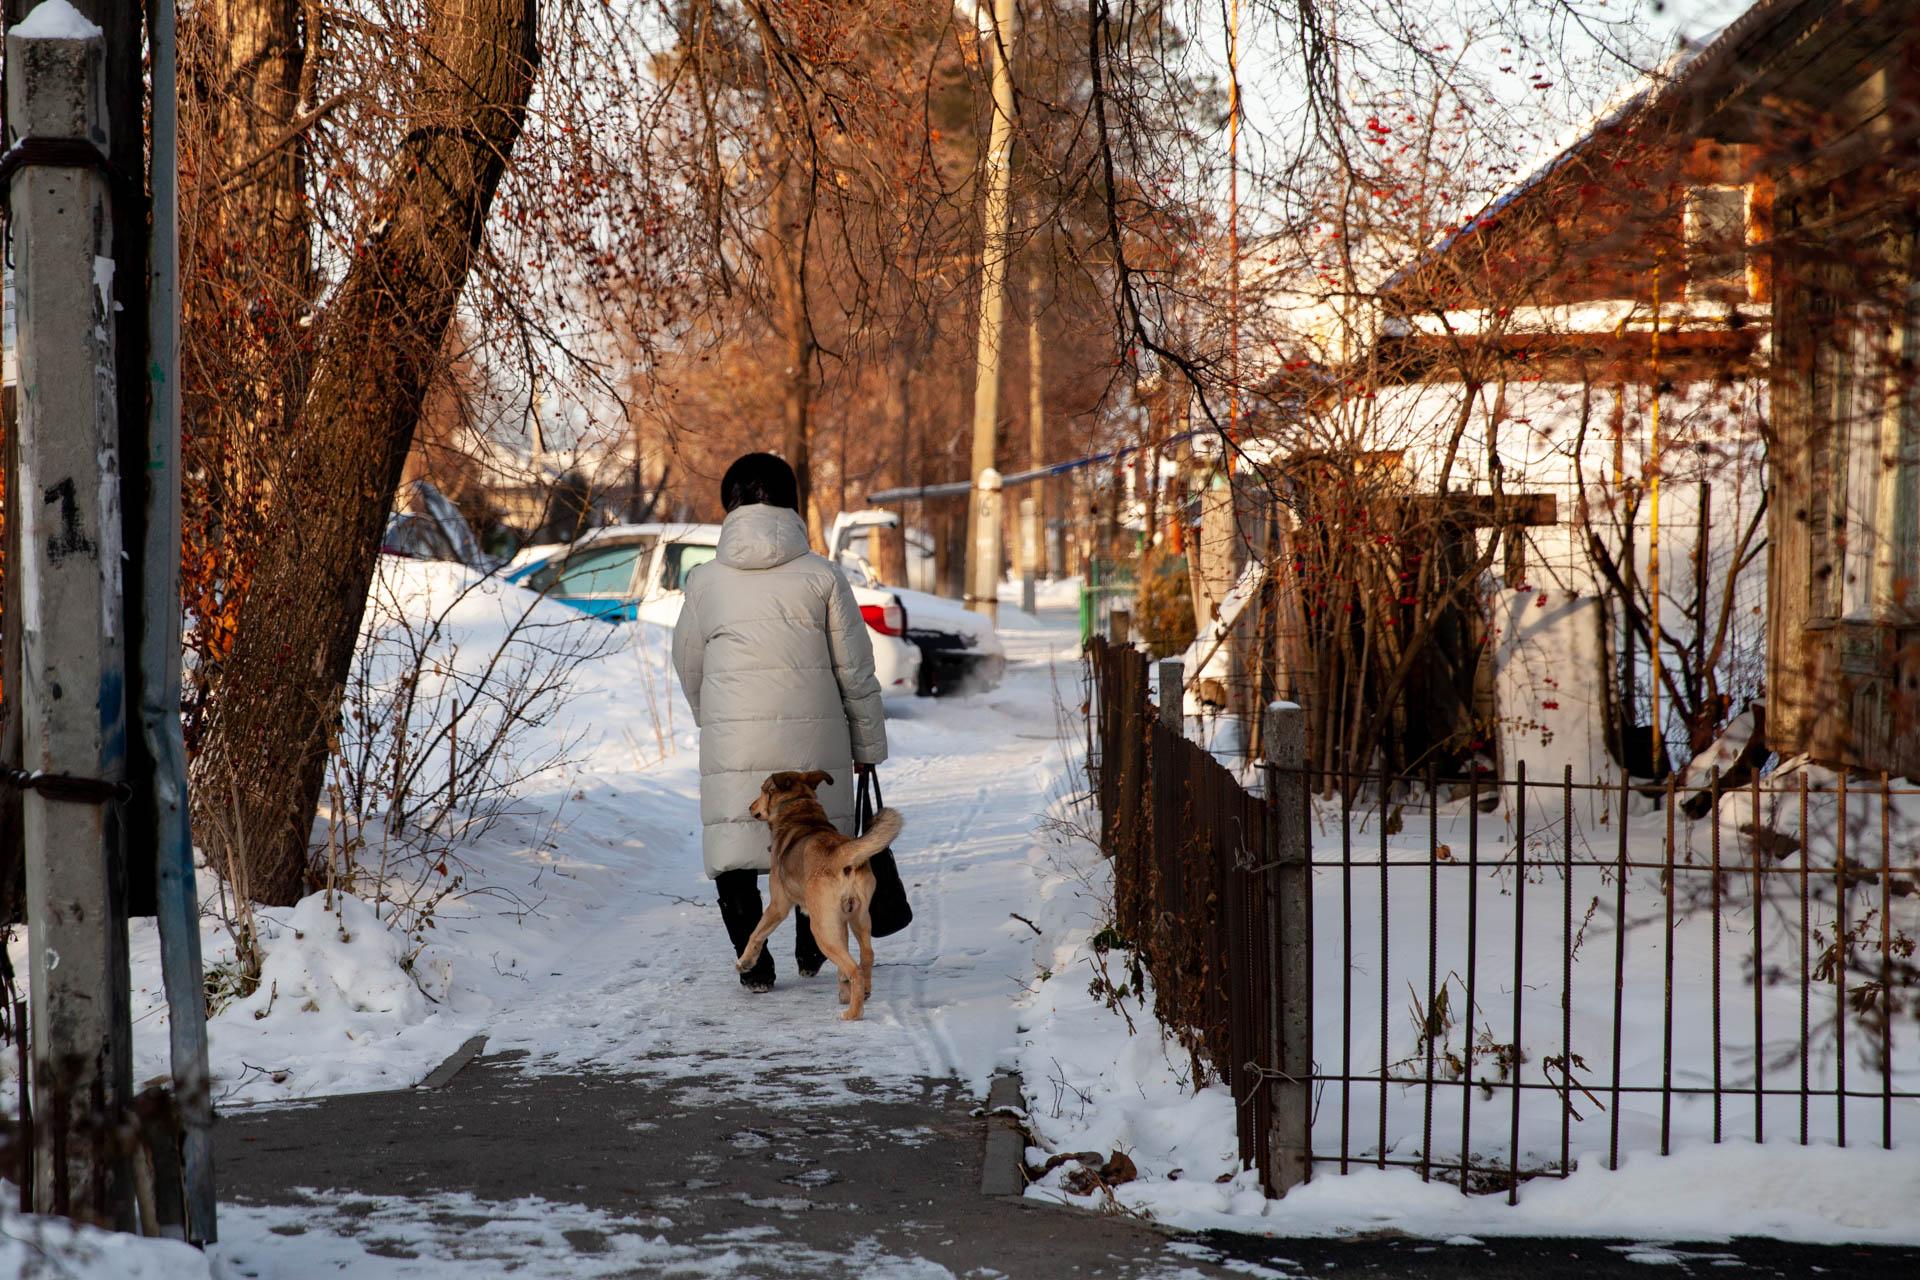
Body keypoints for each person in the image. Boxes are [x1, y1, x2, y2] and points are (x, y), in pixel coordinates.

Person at [671, 453, 888, 991]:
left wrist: (713, 718)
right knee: (818, 844)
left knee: (734, 858)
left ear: (730, 506)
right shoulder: (824, 577)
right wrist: (868, 745)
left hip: (731, 741)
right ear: (792, 503)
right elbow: (855, 669)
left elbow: (687, 662)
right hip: (818, 746)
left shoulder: (704, 581)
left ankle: (757, 970)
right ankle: (812, 951)